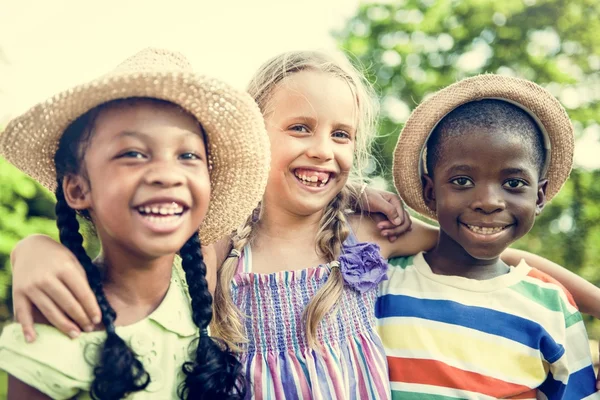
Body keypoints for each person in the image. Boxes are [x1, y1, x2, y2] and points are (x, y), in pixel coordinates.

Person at [8, 51, 600, 399]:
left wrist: (592, 301)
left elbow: (479, 255)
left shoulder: (366, 233)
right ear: (251, 139)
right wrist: (34, 249)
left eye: (341, 135)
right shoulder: (215, 239)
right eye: (300, 128)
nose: (323, 150)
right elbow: (127, 261)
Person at [0, 48, 271, 399]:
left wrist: (360, 195)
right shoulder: (54, 316)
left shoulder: (197, 275)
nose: (167, 174)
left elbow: (298, 202)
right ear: (78, 188)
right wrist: (30, 248)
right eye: (133, 154)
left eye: (187, 155)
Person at [377, 75, 598, 399]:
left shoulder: (551, 305)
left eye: (513, 184)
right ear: (430, 191)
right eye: (463, 180)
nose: (489, 201)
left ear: (539, 198)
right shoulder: (384, 282)